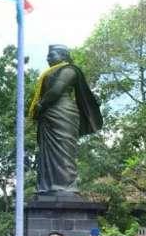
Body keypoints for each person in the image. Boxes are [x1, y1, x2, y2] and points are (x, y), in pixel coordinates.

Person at [28, 45, 103, 194]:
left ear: (63, 55)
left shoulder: (69, 70)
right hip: (48, 115)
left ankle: (67, 186)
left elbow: (56, 90)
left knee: (64, 150)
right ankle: (47, 186)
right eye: (47, 55)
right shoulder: (49, 73)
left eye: (52, 55)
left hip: (62, 113)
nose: (48, 58)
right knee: (47, 152)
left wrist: (41, 104)